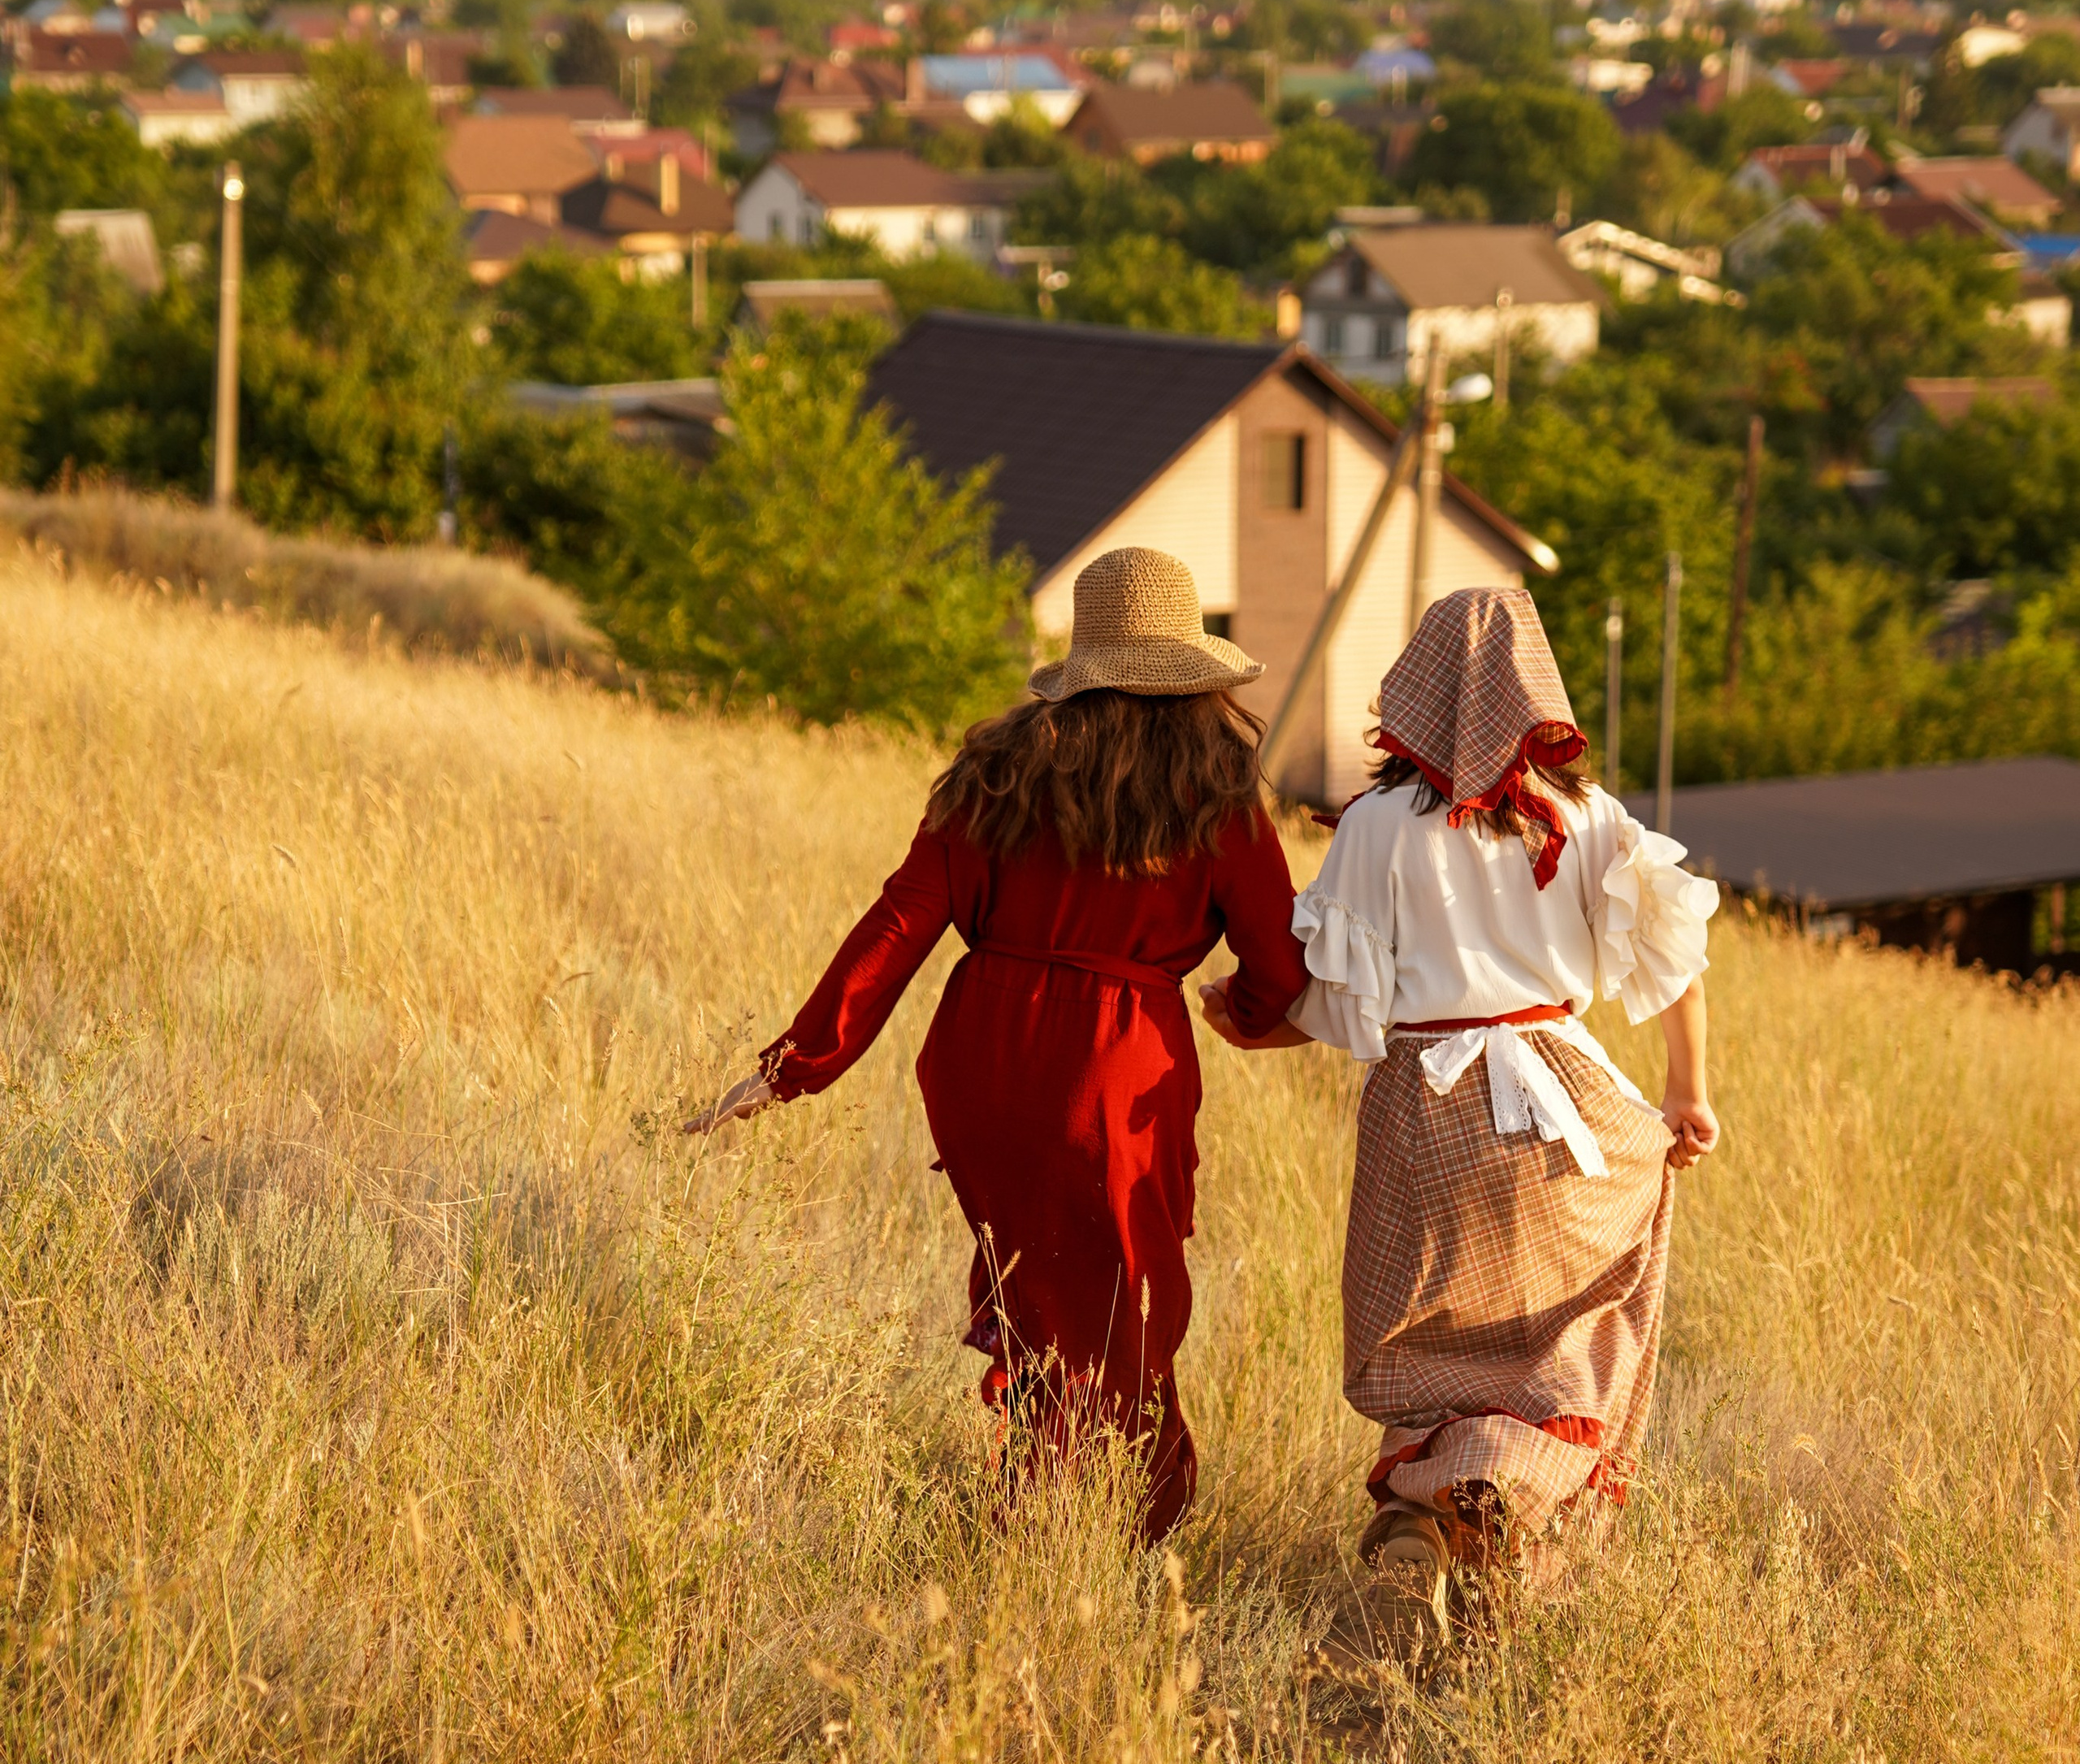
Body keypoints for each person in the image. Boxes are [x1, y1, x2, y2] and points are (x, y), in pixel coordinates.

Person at [687, 546, 1311, 1541]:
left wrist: (790, 1068)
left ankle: (1048, 1501)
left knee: (1041, 1290)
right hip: (1115, 1068)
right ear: (1191, 671)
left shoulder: (995, 770)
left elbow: (898, 924)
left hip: (982, 1058)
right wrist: (1245, 1006)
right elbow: (1282, 971)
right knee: (1124, 1309)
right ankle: (1085, 1524)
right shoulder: (1214, 791)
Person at [1201, 586, 1719, 1588]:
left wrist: (1248, 1023)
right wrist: (1685, 1095)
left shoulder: (1377, 828)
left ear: (1414, 693)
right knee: (1576, 1349)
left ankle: (1427, 1523)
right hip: (1573, 1117)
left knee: (1432, 1352)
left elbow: (1338, 997)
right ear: (1536, 696)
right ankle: (1501, 1534)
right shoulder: (1584, 815)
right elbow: (1676, 953)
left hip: (1427, 1116)